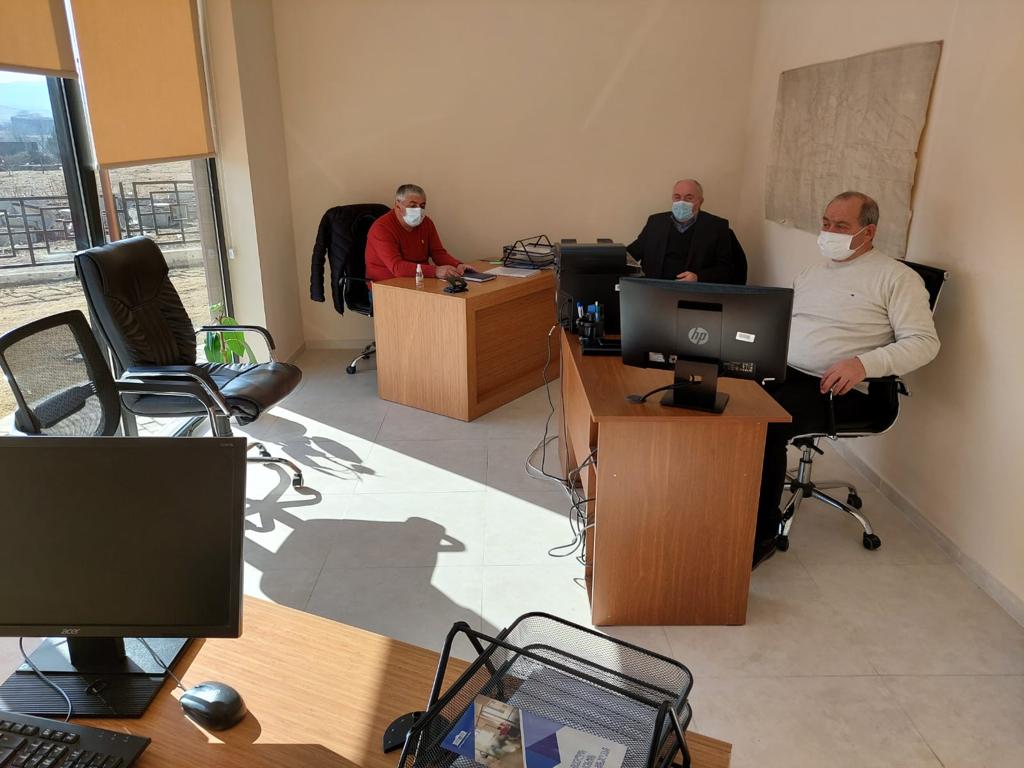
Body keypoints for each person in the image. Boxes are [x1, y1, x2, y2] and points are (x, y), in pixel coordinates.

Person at [752, 191, 940, 568]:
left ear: (868, 232)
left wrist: (862, 364)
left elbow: (924, 343)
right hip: (786, 370)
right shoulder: (812, 273)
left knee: (764, 424)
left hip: (843, 389)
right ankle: (722, 502)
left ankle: (760, 535)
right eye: (826, 223)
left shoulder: (897, 278)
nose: (829, 232)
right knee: (726, 396)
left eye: (841, 225)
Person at [627, 179, 747, 284]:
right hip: (654, 290)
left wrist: (698, 277)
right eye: (677, 197)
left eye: (689, 198)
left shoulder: (717, 227)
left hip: (695, 294)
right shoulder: (655, 222)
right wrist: (616, 256)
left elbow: (727, 269)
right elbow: (633, 253)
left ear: (700, 201)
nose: (682, 202)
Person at [364, 184, 466, 281]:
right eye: (413, 206)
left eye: (422, 206)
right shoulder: (382, 228)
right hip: (387, 285)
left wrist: (457, 265)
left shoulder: (426, 223)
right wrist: (435, 271)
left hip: (420, 280)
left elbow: (438, 253)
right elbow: (397, 267)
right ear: (398, 206)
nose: (418, 210)